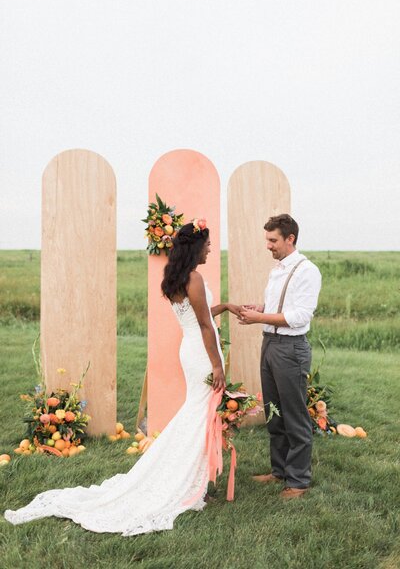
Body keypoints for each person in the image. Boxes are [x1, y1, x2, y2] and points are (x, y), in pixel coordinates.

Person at [4, 221, 240, 535]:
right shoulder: (194, 277)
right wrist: (218, 366)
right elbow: (206, 325)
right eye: (208, 244)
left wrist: (226, 306)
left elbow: (201, 314)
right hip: (202, 353)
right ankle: (185, 481)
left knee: (197, 415)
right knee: (198, 417)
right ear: (197, 246)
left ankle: (192, 478)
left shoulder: (177, 278)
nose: (211, 249)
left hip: (192, 349)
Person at [239, 214, 321, 499]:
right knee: (274, 413)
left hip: (291, 349)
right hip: (270, 344)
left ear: (290, 239)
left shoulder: (307, 270)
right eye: (267, 240)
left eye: (273, 240)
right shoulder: (278, 270)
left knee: (294, 415)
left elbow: (300, 316)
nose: (268, 246)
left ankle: (298, 481)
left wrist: (259, 316)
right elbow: (282, 305)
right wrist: (260, 307)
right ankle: (279, 471)